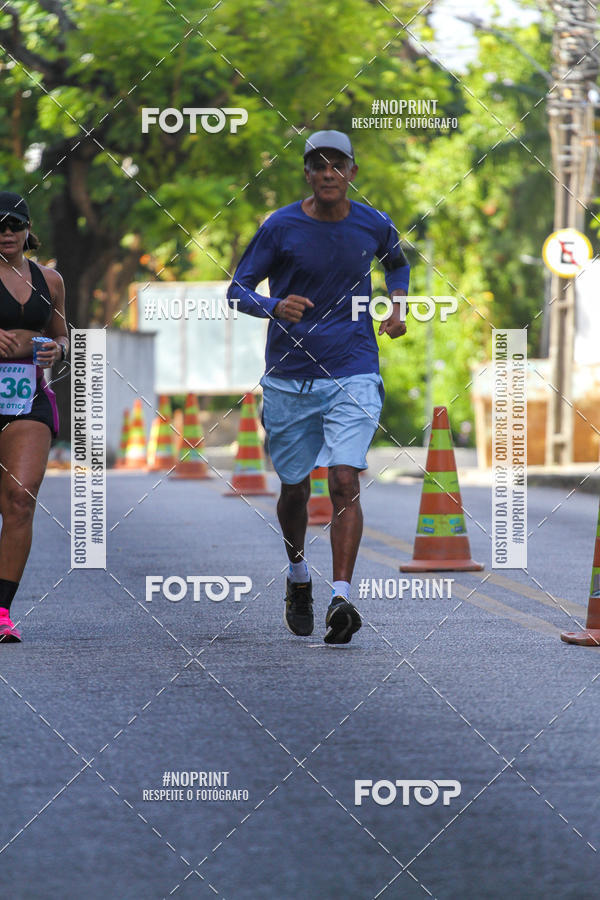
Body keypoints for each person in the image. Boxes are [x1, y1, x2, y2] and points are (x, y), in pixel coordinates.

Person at [227, 131, 409, 644]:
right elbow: (236, 290)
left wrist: (397, 305)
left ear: (352, 173)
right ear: (307, 174)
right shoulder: (280, 227)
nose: (328, 173)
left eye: (337, 165)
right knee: (295, 488)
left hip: (354, 367)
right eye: (318, 166)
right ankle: (299, 575)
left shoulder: (373, 223)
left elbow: (398, 262)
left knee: (345, 478)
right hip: (290, 377)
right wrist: (273, 306)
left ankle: (342, 597)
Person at [0, 191, 69, 642]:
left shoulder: (51, 280)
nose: (6, 232)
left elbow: (62, 336)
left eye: (14, 224)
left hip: (27, 394)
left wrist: (57, 350)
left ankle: (1, 611)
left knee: (20, 499)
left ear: (28, 230)